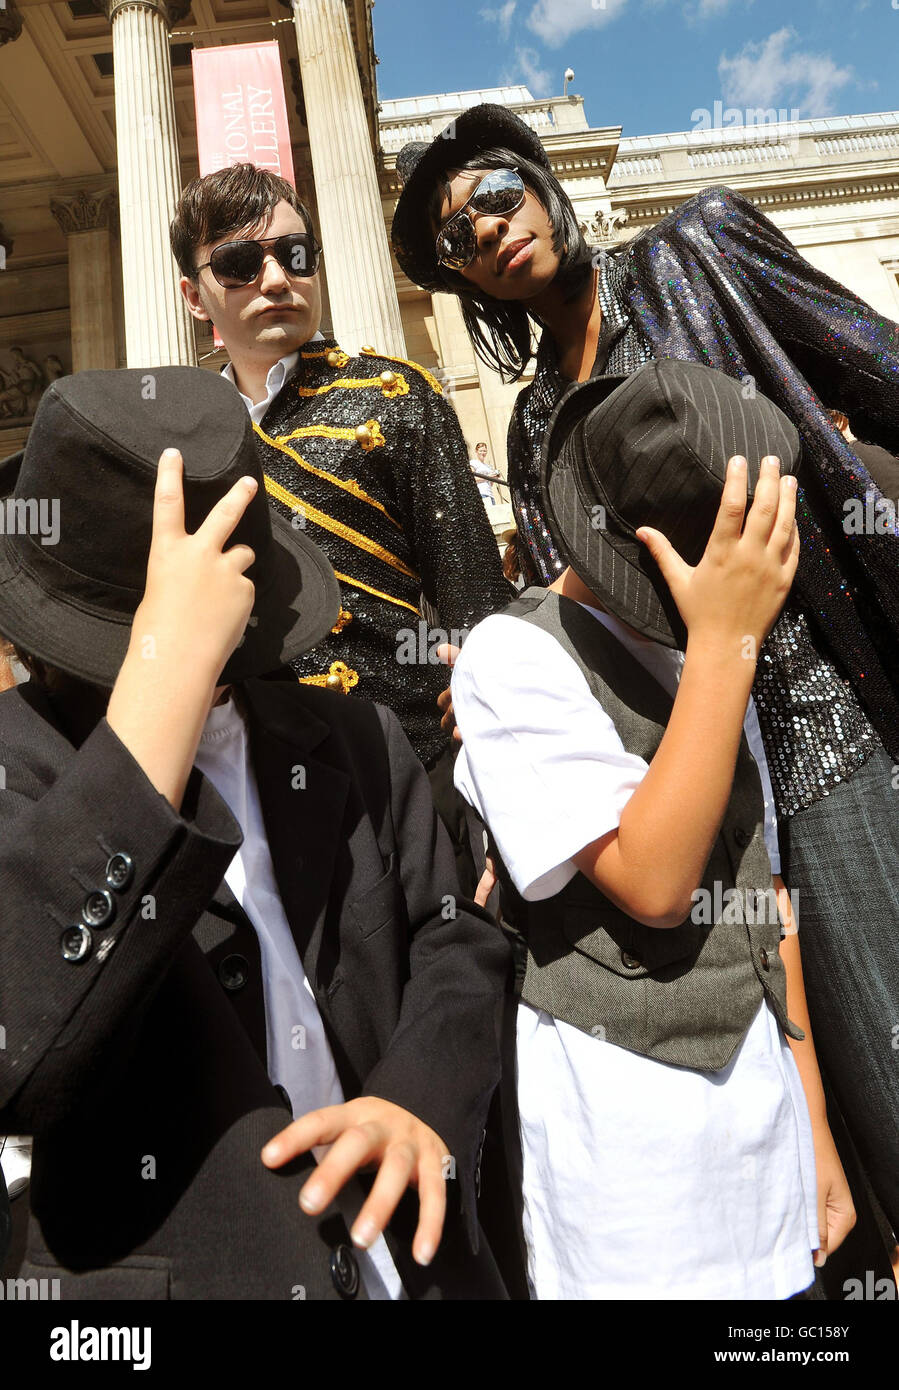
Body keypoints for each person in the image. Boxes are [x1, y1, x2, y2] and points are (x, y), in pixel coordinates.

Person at [391, 104, 899, 1246]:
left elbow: (878, 366)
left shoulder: (697, 255)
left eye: (491, 193)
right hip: (683, 775)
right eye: (456, 239)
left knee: (882, 1065)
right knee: (803, 1135)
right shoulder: (530, 433)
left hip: (813, 716)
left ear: (539, 180)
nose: (484, 230)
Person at [0, 366, 510, 1300]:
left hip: (411, 1261)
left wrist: (418, 1096)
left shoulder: (351, 733)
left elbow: (454, 935)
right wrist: (163, 673)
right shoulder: (17, 763)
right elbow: (20, 1055)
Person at [450, 360, 854, 1299]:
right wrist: (723, 644)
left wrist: (815, 1131)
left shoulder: (711, 649)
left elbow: (763, 904)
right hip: (632, 1162)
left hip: (766, 1130)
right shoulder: (513, 655)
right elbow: (653, 882)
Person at [171, 165, 510, 779]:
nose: (276, 279)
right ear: (196, 297)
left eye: (296, 255)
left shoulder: (397, 394)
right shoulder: (182, 446)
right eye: (240, 263)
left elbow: (479, 609)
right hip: (248, 785)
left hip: (409, 770)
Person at [469, 441, 503, 506]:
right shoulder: (473, 462)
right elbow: (473, 479)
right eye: (480, 451)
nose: (483, 453)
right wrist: (488, 476)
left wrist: (495, 477)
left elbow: (491, 483)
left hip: (490, 494)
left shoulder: (488, 466)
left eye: (484, 451)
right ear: (476, 451)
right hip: (480, 493)